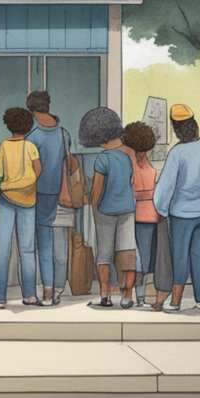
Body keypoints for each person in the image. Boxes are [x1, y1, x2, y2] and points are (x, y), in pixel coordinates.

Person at [152, 104, 200, 313]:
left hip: (180, 213)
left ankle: (176, 301)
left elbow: (165, 186)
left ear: (176, 127)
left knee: (179, 256)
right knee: (199, 255)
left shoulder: (177, 153)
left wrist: (160, 209)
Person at [80, 107, 138, 309]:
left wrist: (89, 203)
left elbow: (96, 191)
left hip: (105, 211)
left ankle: (105, 296)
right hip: (128, 210)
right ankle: (127, 295)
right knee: (127, 251)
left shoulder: (103, 159)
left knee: (104, 254)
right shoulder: (129, 155)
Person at [0, 107, 42, 309]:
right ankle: (30, 295)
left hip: (6, 200)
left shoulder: (3, 147)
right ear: (28, 126)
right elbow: (38, 170)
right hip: (28, 202)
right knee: (27, 250)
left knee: (3, 250)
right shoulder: (31, 147)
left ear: (8, 125)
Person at [23, 90, 73, 307]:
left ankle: (47, 292)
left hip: (38, 195)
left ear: (32, 110)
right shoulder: (64, 134)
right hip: (62, 195)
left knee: (42, 244)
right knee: (60, 246)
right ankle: (58, 288)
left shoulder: (32, 137)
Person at [124, 121, 170, 310]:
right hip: (141, 216)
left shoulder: (143, 161)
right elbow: (133, 192)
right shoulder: (132, 162)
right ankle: (140, 296)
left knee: (148, 259)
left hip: (151, 216)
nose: (145, 153)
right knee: (141, 259)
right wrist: (154, 192)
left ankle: (143, 295)